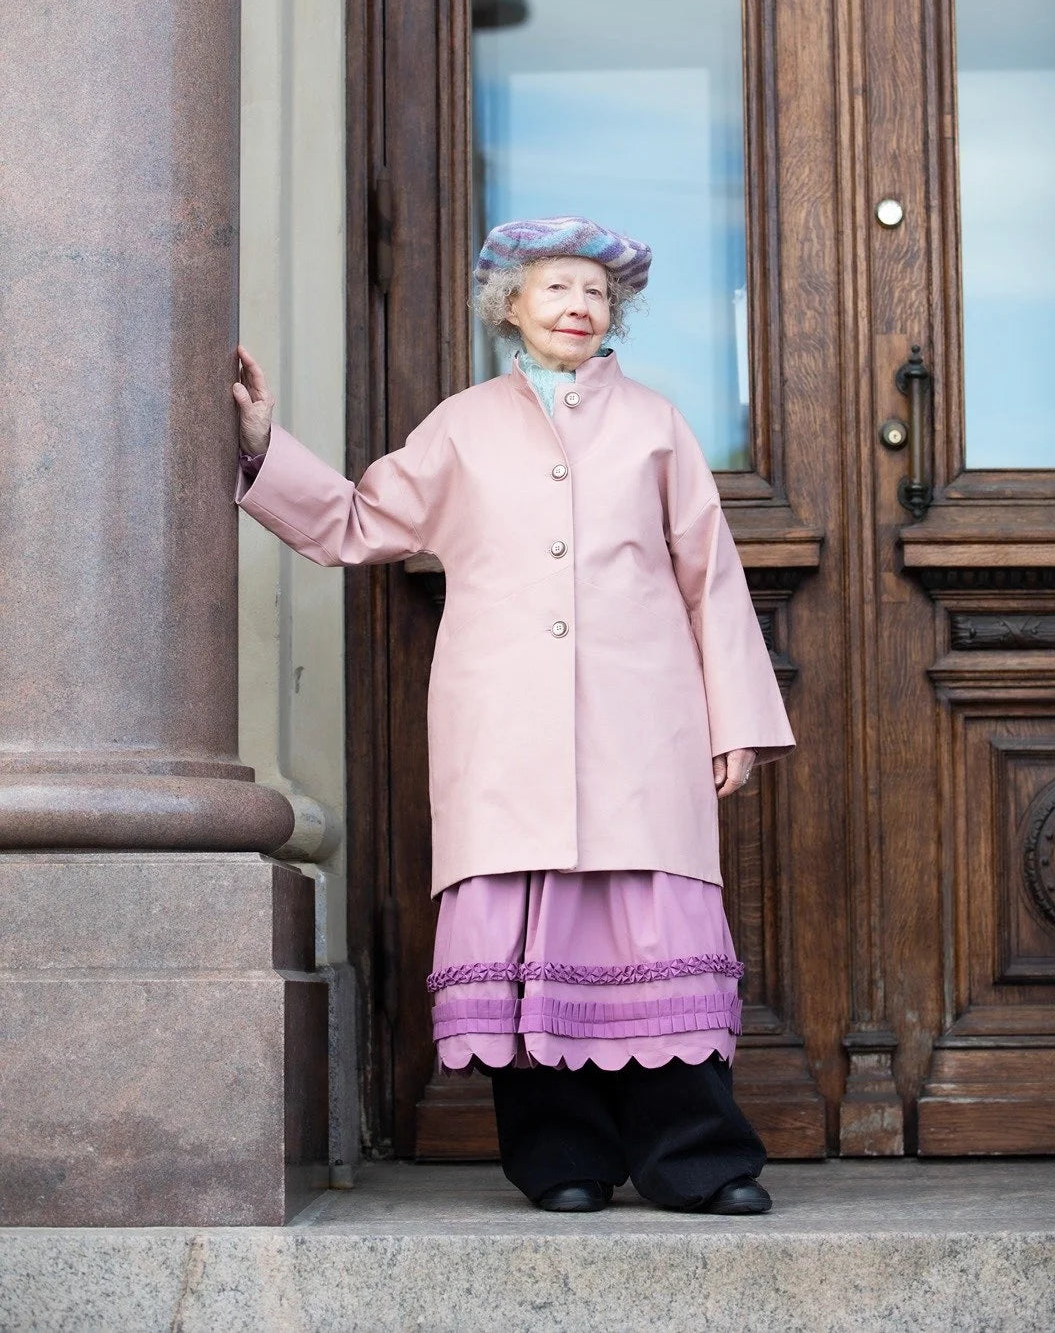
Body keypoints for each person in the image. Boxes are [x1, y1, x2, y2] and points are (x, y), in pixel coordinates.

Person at [232, 215, 796, 1215]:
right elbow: (361, 524)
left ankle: (698, 1165)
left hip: (643, 722)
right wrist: (259, 446)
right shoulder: (462, 424)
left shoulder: (657, 424)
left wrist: (733, 717)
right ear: (512, 308)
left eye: (593, 292)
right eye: (555, 290)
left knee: (652, 937)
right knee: (531, 947)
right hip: (505, 724)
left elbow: (710, 574)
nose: (578, 307)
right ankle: (563, 1164)